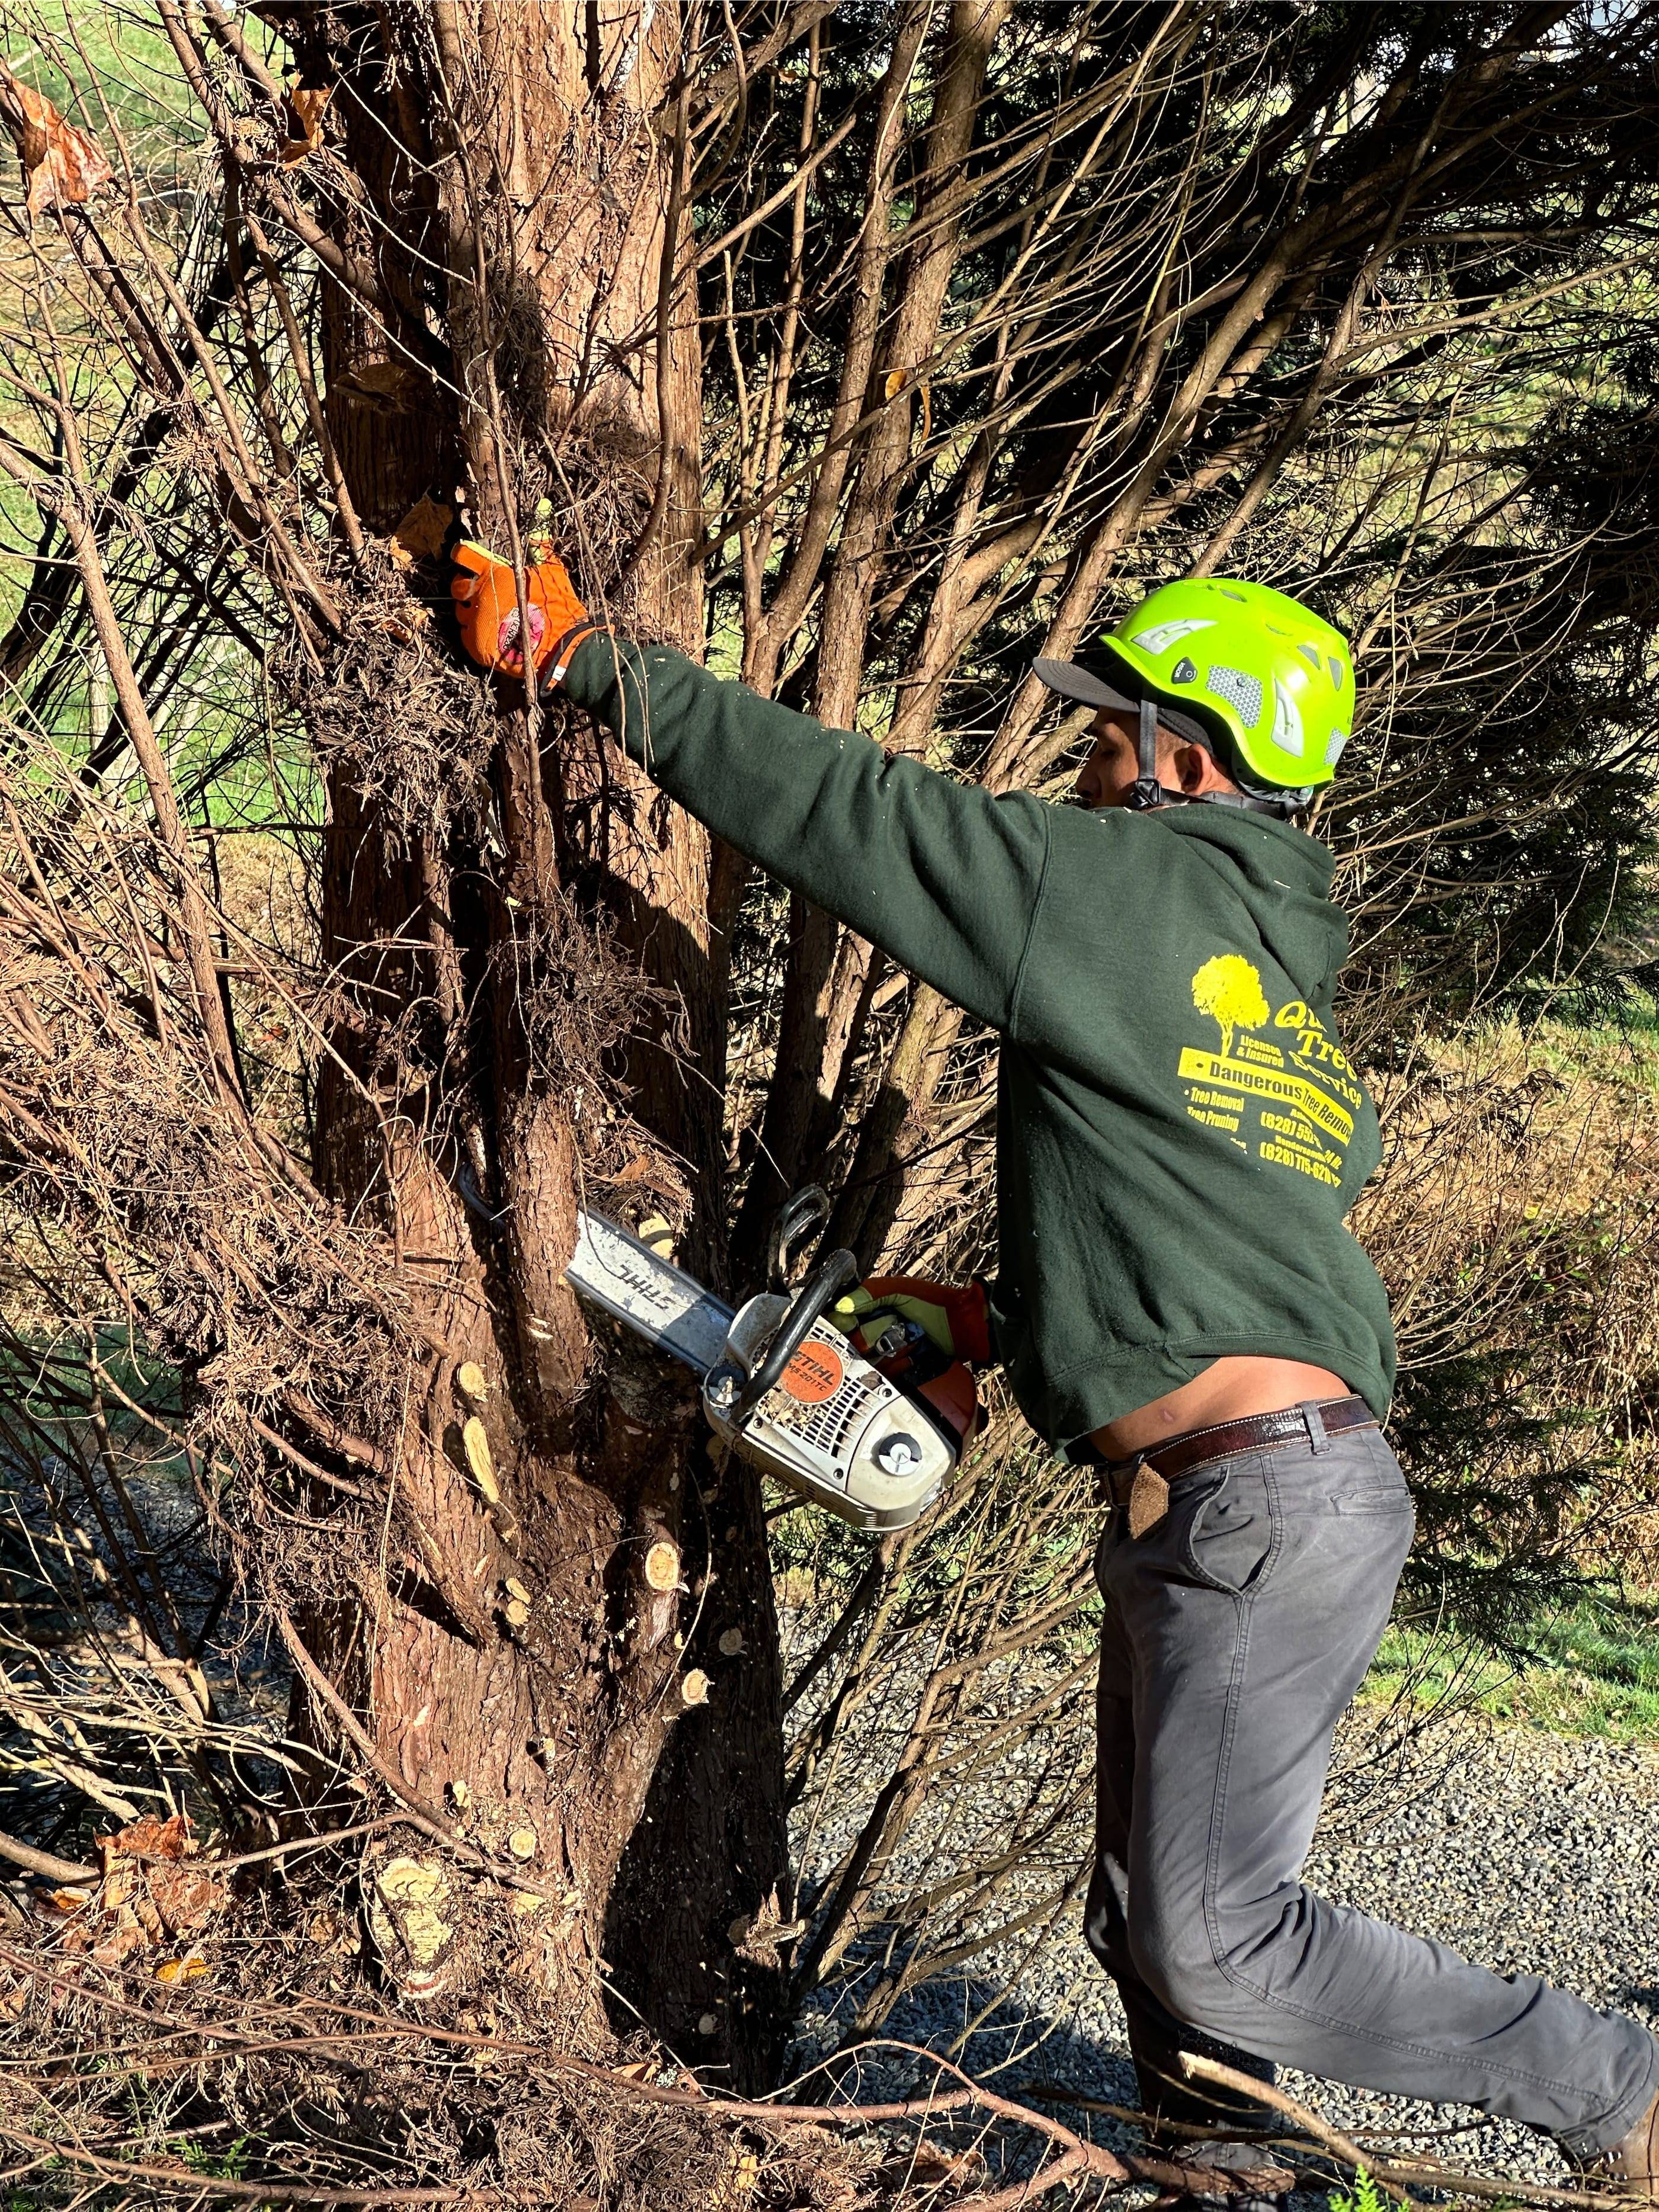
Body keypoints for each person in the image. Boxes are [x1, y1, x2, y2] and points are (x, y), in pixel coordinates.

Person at [453, 546, 1659, 2191]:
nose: (1079, 771)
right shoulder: (1265, 1008)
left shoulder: (1127, 896)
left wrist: (596, 662)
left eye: (1105, 741)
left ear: (1188, 754)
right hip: (1249, 1489)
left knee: (1220, 1939)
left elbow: (860, 819)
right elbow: (1196, 1244)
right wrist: (991, 1329)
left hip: (1261, 1499)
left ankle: (1622, 2093)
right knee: (1154, 1923)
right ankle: (1235, 2178)